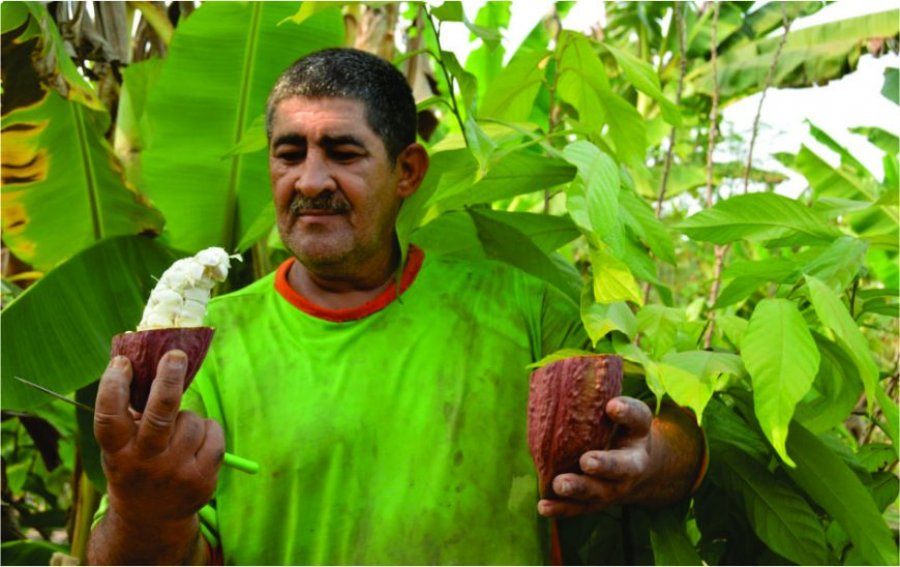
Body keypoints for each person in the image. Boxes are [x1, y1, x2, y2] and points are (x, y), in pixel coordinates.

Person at [87, 48, 704, 565]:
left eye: (344, 153)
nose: (309, 181)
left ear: (407, 170)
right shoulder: (201, 347)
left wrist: (647, 460)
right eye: (289, 153)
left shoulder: (521, 306)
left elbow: (680, 449)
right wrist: (145, 509)